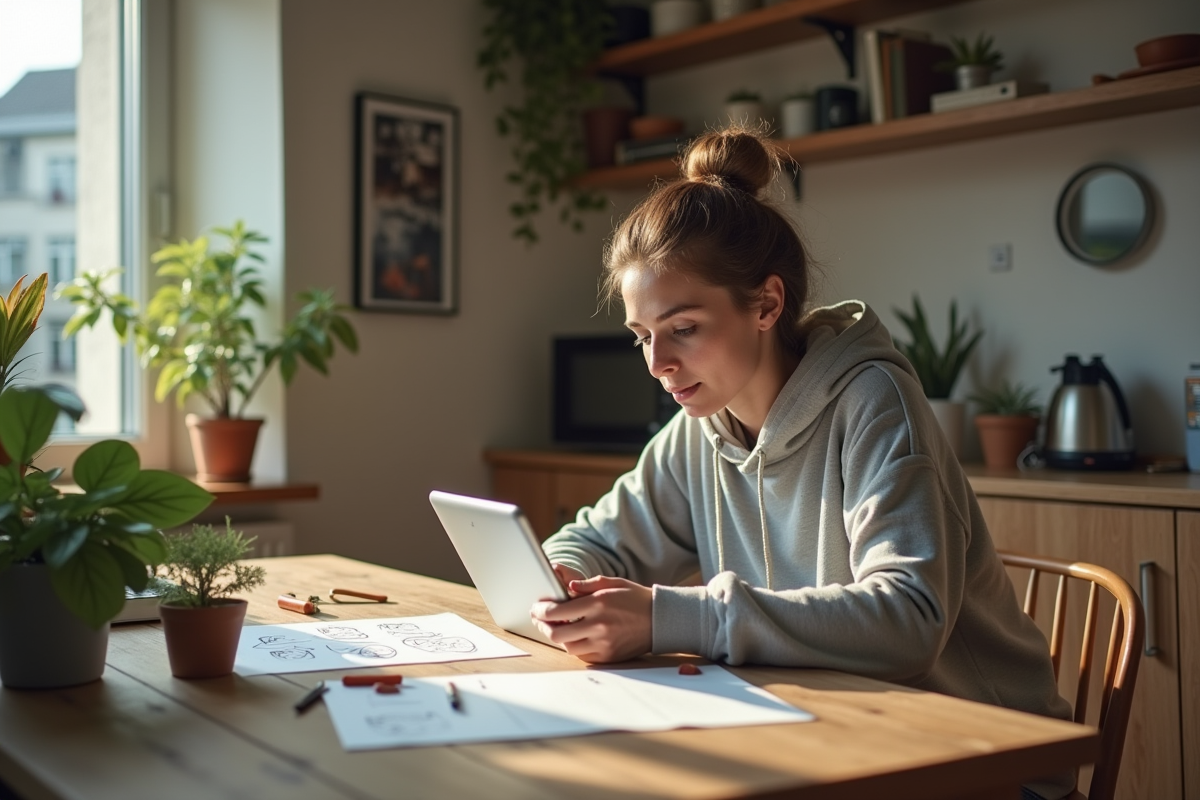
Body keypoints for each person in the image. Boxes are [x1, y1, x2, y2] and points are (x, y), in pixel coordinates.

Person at [531, 127, 1074, 800]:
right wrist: (563, 579)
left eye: (685, 328)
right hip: (841, 736)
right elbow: (590, 538)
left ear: (766, 303)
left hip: (985, 760)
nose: (658, 363)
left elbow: (910, 618)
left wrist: (670, 616)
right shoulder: (699, 426)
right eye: (643, 336)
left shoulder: (875, 401)